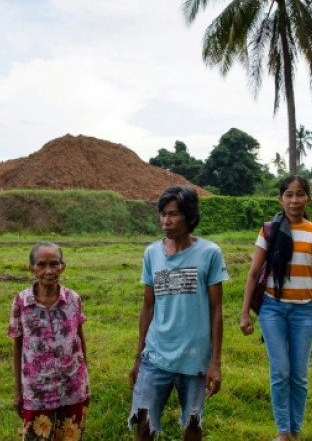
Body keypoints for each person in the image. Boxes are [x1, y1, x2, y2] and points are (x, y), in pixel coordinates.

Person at [128, 185, 229, 441]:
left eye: (173, 214)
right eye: (162, 214)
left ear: (190, 216)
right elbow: (148, 306)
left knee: (192, 425)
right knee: (144, 423)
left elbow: (217, 309)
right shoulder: (152, 253)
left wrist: (215, 363)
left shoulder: (210, 253)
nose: (166, 221)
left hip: (194, 358)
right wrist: (139, 357)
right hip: (155, 354)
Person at [239, 175, 312, 441]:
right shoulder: (268, 230)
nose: (294, 200)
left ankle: (295, 431)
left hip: (304, 311)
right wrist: (245, 312)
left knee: (299, 376)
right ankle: (283, 433)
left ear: (308, 199)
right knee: (280, 371)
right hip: (272, 309)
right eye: (289, 194)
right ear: (281, 199)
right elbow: (253, 272)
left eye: (300, 194)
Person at [9, 242, 90, 440]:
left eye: (54, 264)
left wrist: (84, 382)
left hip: (72, 385)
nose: (48, 271)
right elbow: (18, 346)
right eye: (41, 265)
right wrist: (18, 391)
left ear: (63, 266)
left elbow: (79, 338)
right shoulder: (21, 302)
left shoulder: (73, 300)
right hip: (37, 390)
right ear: (32, 269)